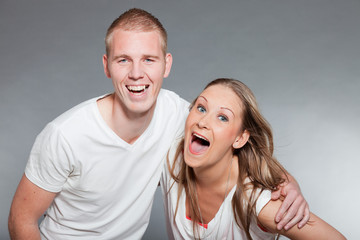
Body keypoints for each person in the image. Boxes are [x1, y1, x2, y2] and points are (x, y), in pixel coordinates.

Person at [8, 9, 307, 240]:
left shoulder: (178, 115)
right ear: (106, 65)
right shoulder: (65, 135)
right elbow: (21, 219)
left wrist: (287, 184)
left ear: (167, 65)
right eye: (123, 60)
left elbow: (230, 143)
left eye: (149, 59)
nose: (137, 73)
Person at [161, 78, 346, 239]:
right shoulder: (169, 158)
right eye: (201, 108)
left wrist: (290, 183)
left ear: (240, 138)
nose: (203, 122)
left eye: (223, 118)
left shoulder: (256, 202)